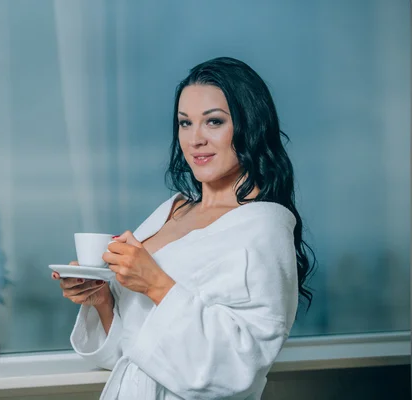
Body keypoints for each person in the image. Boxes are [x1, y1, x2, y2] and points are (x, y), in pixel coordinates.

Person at [52, 57, 315, 399]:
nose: (195, 139)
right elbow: (133, 349)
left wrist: (156, 283)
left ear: (250, 126)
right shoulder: (171, 209)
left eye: (214, 122)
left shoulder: (263, 228)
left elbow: (239, 369)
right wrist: (103, 299)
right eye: (185, 123)